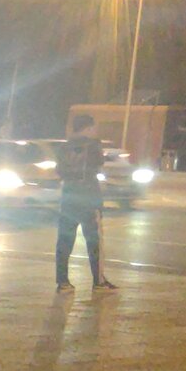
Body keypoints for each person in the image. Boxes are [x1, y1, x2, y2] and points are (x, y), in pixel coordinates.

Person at [55, 115, 115, 294]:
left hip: (69, 198)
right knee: (94, 241)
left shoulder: (63, 147)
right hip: (89, 198)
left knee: (64, 240)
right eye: (93, 128)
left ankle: (63, 281)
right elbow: (99, 163)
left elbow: (59, 171)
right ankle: (98, 281)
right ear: (88, 128)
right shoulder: (94, 145)